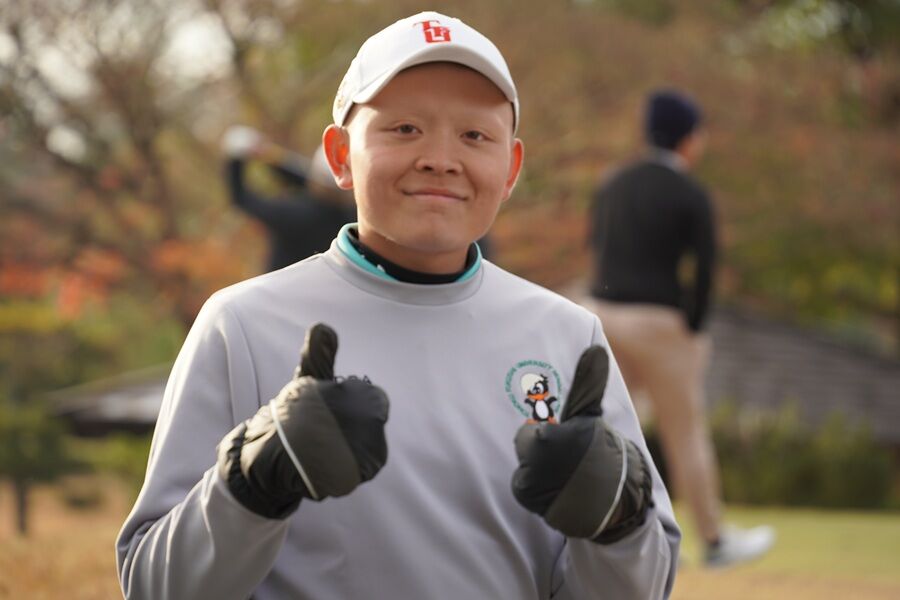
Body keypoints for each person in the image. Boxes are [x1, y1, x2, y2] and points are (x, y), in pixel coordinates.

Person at [117, 12, 680, 599]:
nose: (440, 158)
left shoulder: (568, 337)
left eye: (474, 136)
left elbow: (641, 588)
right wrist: (251, 485)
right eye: (405, 128)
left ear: (511, 168)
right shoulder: (242, 326)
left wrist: (617, 526)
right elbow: (156, 588)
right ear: (340, 155)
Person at [582, 89, 775, 568]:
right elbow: (705, 268)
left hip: (603, 315)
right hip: (661, 323)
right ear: (688, 138)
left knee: (610, 429)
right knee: (685, 434)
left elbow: (595, 246)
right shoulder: (690, 192)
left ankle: (618, 536)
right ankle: (714, 540)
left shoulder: (613, 183)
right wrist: (694, 324)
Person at [223, 127, 357, 272]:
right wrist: (270, 156)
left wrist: (235, 161)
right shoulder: (352, 215)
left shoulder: (296, 214)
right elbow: (306, 181)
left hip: (282, 284)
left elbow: (241, 198)